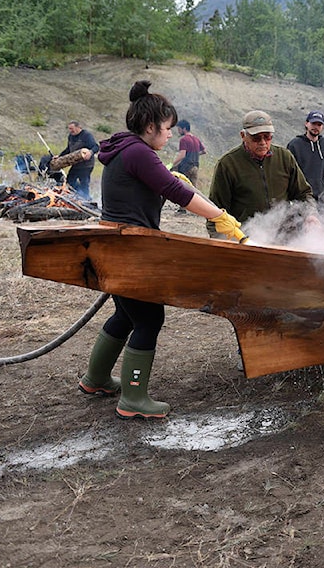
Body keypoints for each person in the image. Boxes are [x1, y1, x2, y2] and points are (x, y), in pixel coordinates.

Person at [78, 80, 245, 420]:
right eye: (167, 128)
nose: (170, 135)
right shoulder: (138, 151)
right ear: (151, 126)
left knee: (127, 314)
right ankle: (133, 399)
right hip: (131, 248)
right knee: (149, 317)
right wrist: (221, 216)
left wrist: (171, 178)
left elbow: (156, 182)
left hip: (117, 244)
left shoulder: (125, 148)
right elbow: (176, 192)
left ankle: (95, 379)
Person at [207, 109, 319, 243]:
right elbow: (215, 212)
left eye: (267, 136)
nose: (263, 142)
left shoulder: (284, 157)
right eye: (256, 138)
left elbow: (303, 194)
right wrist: (223, 243)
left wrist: (310, 214)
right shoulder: (227, 164)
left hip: (285, 238)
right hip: (247, 239)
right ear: (243, 135)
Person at [287, 110, 324, 220]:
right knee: (302, 232)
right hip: (302, 198)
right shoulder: (294, 145)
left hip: (322, 197)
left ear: (322, 127)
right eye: (313, 123)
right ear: (306, 123)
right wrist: (289, 198)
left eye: (319, 124)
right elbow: (288, 174)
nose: (316, 127)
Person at [170, 119, 206, 214]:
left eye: (179, 129)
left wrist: (173, 164)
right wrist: (194, 155)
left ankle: (182, 209)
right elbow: (204, 151)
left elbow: (182, 154)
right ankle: (198, 209)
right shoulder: (196, 139)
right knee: (193, 189)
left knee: (183, 187)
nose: (178, 131)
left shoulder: (184, 139)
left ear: (184, 128)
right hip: (195, 166)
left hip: (185, 167)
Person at [60, 121, 100, 200]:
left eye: (72, 128)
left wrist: (90, 152)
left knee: (84, 183)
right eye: (69, 129)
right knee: (70, 181)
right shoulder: (71, 136)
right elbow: (68, 149)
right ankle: (78, 195)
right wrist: (59, 156)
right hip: (76, 164)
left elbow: (96, 147)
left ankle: (87, 200)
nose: (70, 130)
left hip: (86, 165)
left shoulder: (86, 135)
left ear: (78, 127)